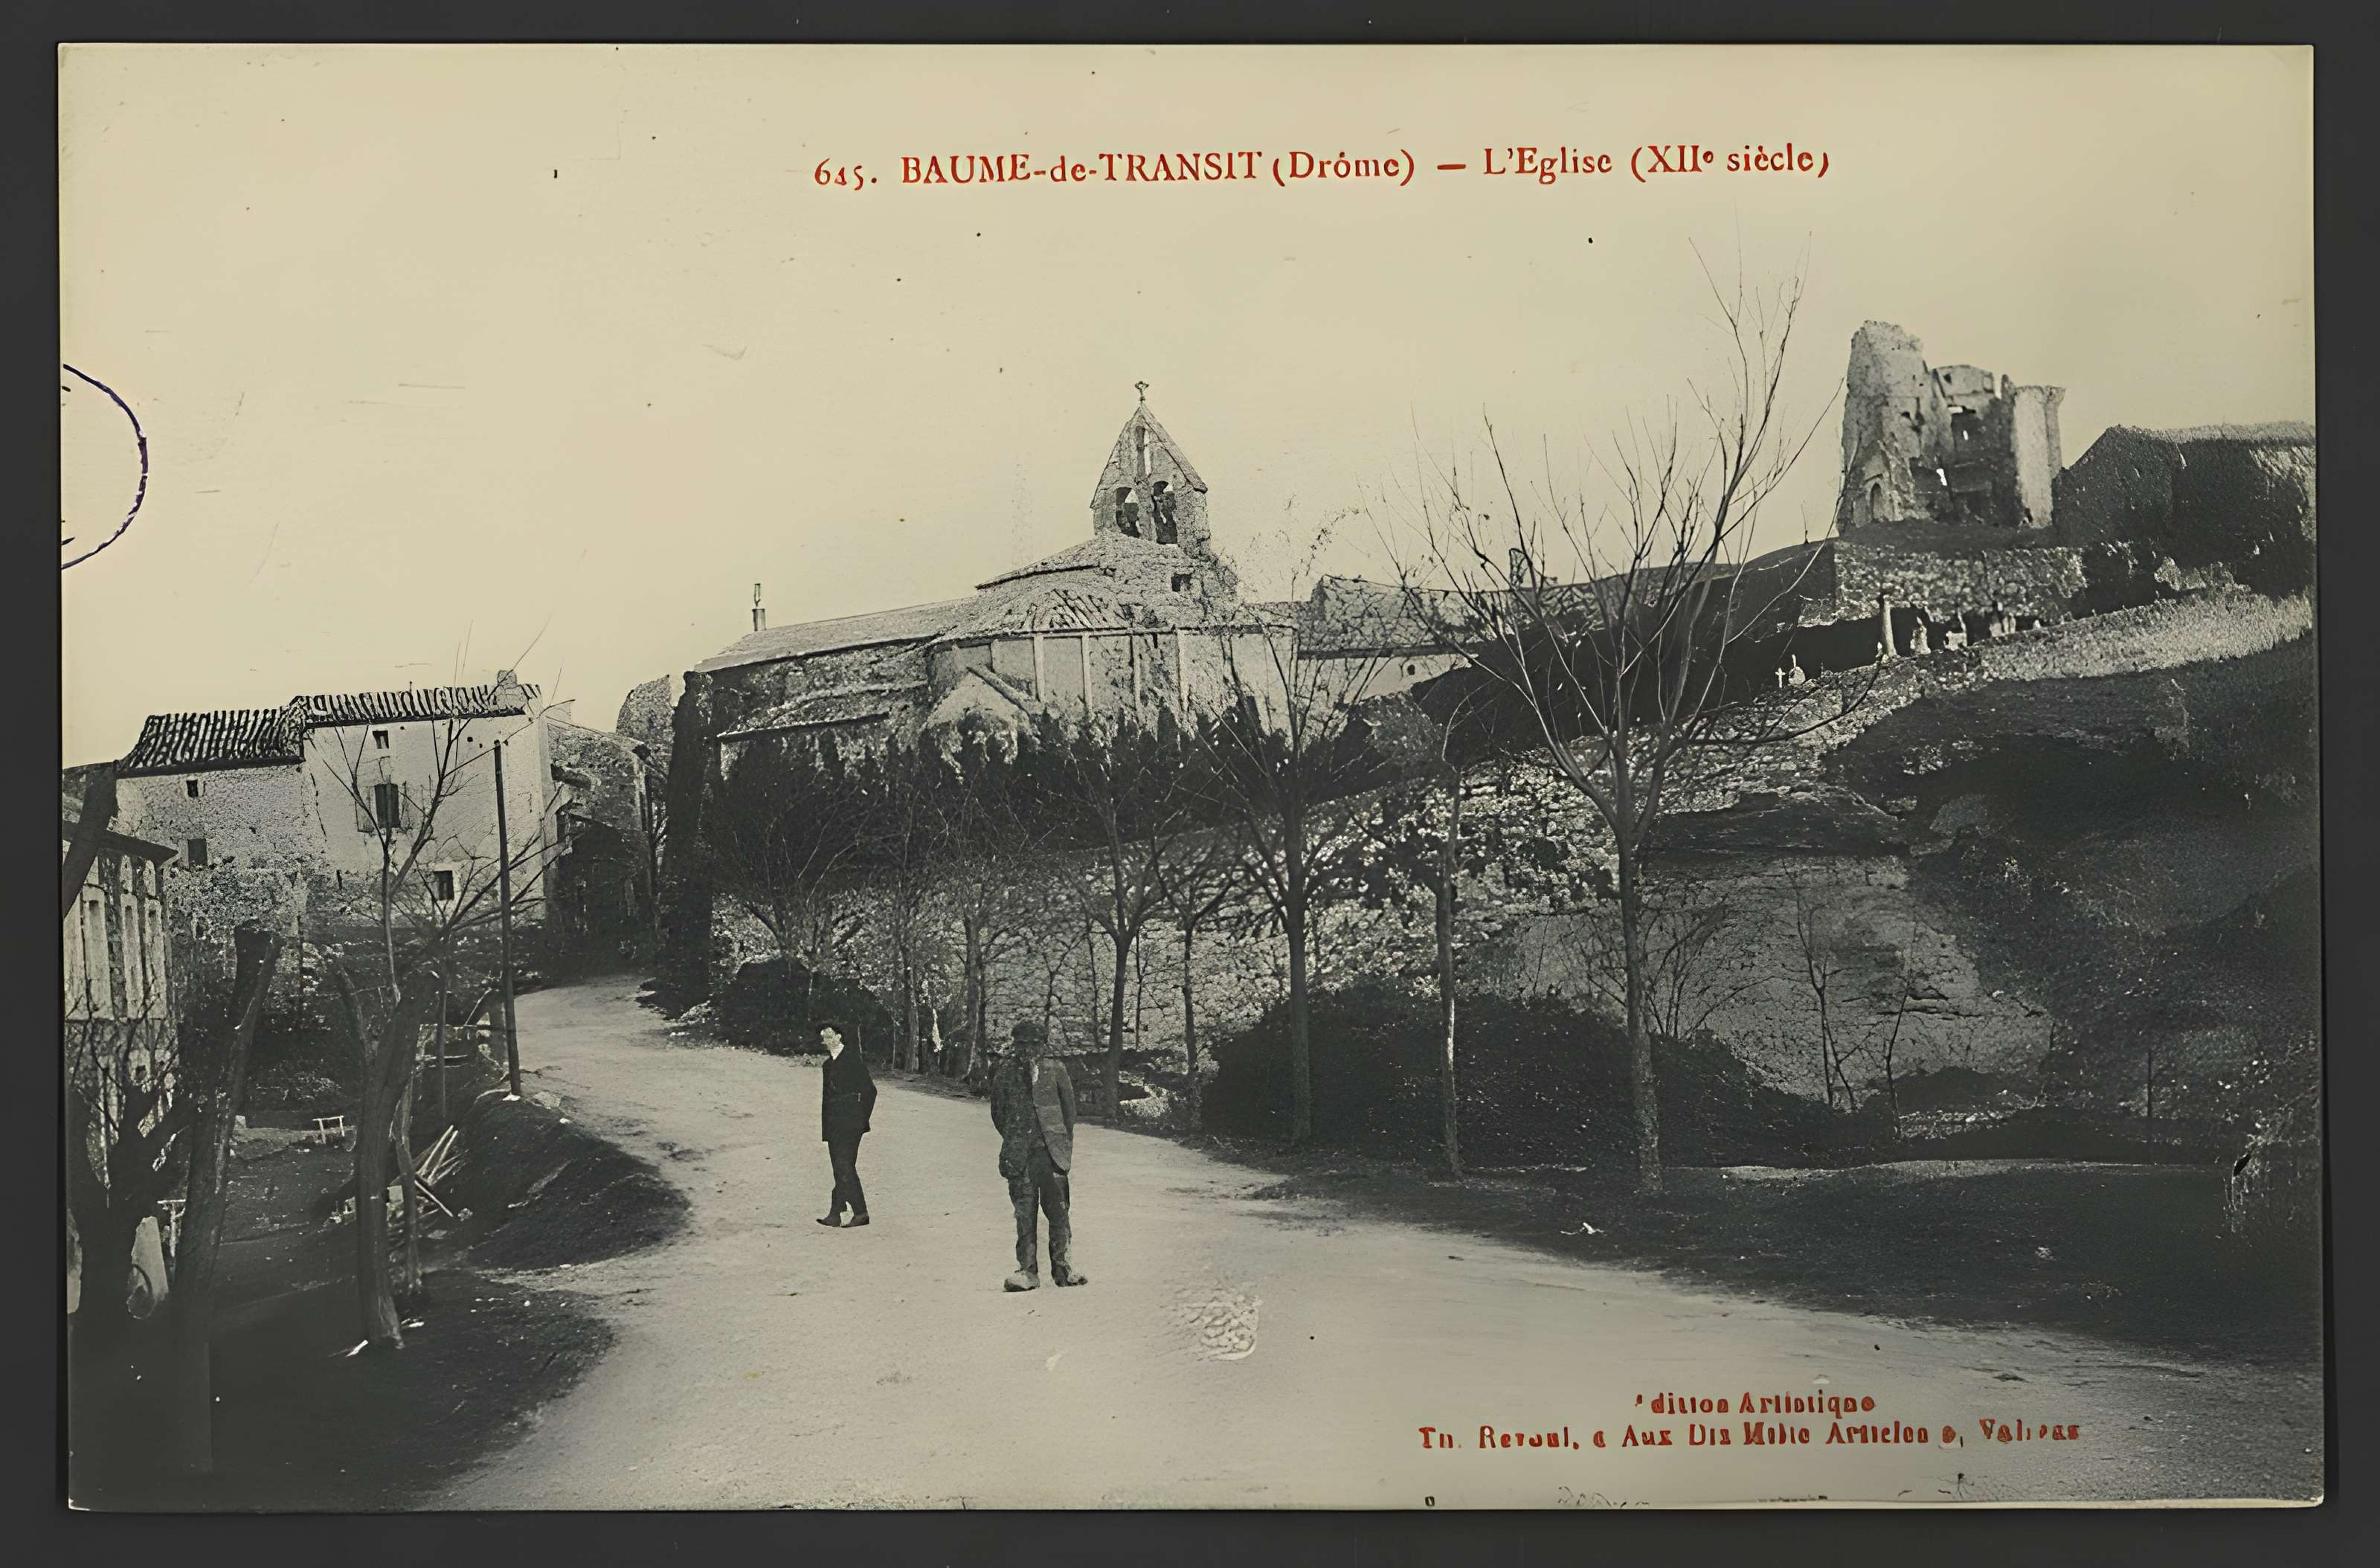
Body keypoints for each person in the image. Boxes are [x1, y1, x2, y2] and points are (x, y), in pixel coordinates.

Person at [990, 1020, 1086, 1291]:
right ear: (1014, 1044)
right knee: (1024, 1215)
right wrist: (1016, 1138)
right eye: (1022, 1044)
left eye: (1034, 1043)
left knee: (1059, 1213)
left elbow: (1069, 1113)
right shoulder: (1005, 1071)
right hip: (1020, 1156)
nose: (1027, 1049)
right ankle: (1027, 1271)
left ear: (1043, 1044)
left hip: (1052, 1155)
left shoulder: (1056, 1070)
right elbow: (998, 1112)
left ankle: (1064, 1269)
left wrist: (1060, 1143)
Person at [817, 1021, 876, 1229]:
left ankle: (861, 1213)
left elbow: (870, 1091)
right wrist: (826, 1129)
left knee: (844, 1167)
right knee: (840, 1168)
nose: (826, 1040)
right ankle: (835, 1213)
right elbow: (826, 1100)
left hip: (851, 1125)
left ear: (840, 1036)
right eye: (823, 1037)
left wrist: (860, 1119)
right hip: (834, 1126)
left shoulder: (852, 1060)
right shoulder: (827, 1065)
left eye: (830, 1035)